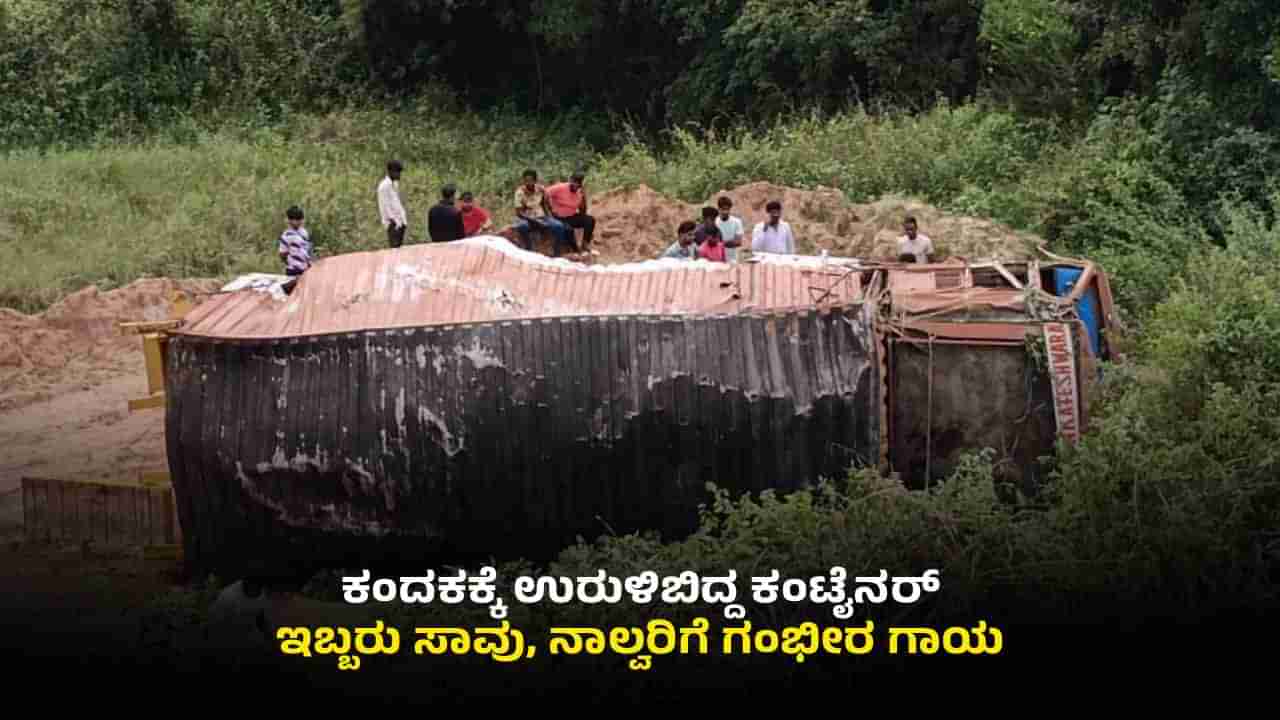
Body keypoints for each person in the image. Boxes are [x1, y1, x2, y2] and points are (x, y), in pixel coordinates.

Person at [513, 169, 571, 256]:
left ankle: (557, 252)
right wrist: (534, 221)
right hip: (527, 218)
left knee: (559, 226)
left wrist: (549, 217)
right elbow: (519, 212)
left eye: (531, 180)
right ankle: (529, 249)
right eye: (526, 181)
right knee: (522, 226)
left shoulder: (541, 189)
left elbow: (545, 204)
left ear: (535, 181)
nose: (528, 183)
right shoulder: (519, 192)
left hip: (541, 216)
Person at [546, 171, 595, 253]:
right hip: (558, 217)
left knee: (590, 220)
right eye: (574, 182)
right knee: (569, 230)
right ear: (571, 180)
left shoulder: (580, 192)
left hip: (570, 216)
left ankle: (585, 243)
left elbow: (583, 211)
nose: (576, 185)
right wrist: (550, 208)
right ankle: (575, 250)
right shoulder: (561, 187)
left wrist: (583, 197)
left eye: (579, 183)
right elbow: (545, 193)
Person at [278, 206, 312, 293]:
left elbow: (307, 249)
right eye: (294, 219)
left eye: (299, 219)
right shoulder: (286, 236)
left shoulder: (304, 232)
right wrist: (291, 263)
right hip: (293, 270)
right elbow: (282, 254)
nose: (297, 222)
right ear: (288, 220)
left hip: (305, 268)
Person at [378, 160, 408, 248]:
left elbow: (396, 202)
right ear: (390, 171)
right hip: (393, 224)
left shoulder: (394, 184)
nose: (399, 175)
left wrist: (402, 220)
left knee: (399, 249)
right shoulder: (384, 186)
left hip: (400, 222)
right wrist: (393, 221)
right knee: (394, 251)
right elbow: (385, 206)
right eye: (397, 172)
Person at [715, 196, 745, 263]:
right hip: (717, 260)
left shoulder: (737, 222)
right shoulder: (715, 222)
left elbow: (738, 242)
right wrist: (729, 242)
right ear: (719, 209)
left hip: (732, 260)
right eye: (723, 209)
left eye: (727, 209)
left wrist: (720, 243)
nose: (725, 212)